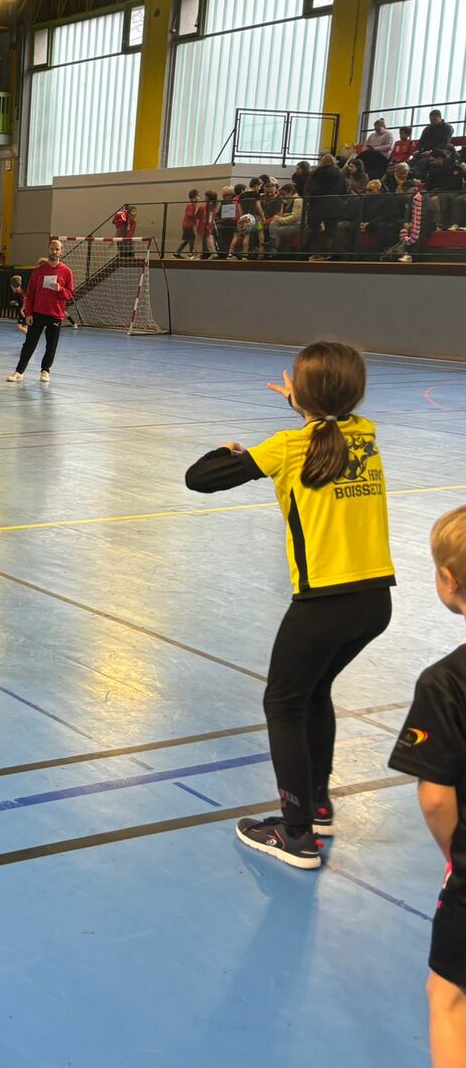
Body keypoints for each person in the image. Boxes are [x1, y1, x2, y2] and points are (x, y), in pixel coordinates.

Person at [184, 342, 393, 869]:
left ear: (303, 393)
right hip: (375, 602)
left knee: (283, 705)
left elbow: (199, 478)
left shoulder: (289, 447)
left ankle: (296, 833)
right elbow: (329, 426)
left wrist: (227, 450)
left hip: (324, 604)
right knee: (315, 690)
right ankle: (318, 805)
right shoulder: (365, 434)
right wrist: (306, 404)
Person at [388, 506, 466, 1068]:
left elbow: (436, 797)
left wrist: (454, 856)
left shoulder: (446, 684)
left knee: (449, 997)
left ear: (447, 579)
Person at [8, 240, 73, 383]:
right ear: (48, 250)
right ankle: (19, 371)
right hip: (37, 314)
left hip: (55, 315)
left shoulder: (66, 271)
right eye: (52, 249)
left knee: (51, 345)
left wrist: (60, 289)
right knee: (29, 343)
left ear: (61, 251)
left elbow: (69, 294)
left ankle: (45, 371)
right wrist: (29, 313)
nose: (54, 252)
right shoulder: (38, 271)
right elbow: (30, 294)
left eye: (57, 249)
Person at [177, 190, 201, 257]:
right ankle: (190, 253)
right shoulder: (191, 205)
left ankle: (177, 253)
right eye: (198, 196)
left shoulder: (193, 205)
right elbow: (189, 214)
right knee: (191, 239)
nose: (199, 198)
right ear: (194, 197)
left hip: (188, 225)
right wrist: (196, 213)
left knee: (187, 240)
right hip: (188, 225)